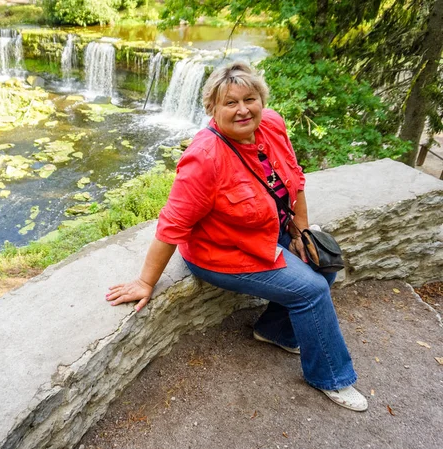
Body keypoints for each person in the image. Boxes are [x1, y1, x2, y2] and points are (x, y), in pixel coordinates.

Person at [106, 61, 368, 412]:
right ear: (212, 109)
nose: (243, 109)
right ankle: (331, 377)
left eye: (250, 98)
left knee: (323, 265)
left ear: (262, 99)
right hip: (222, 252)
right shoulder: (204, 158)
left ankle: (276, 331)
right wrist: (144, 281)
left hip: (264, 232)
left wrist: (301, 231)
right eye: (231, 103)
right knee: (312, 289)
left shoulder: (272, 124)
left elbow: (295, 178)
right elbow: (172, 226)